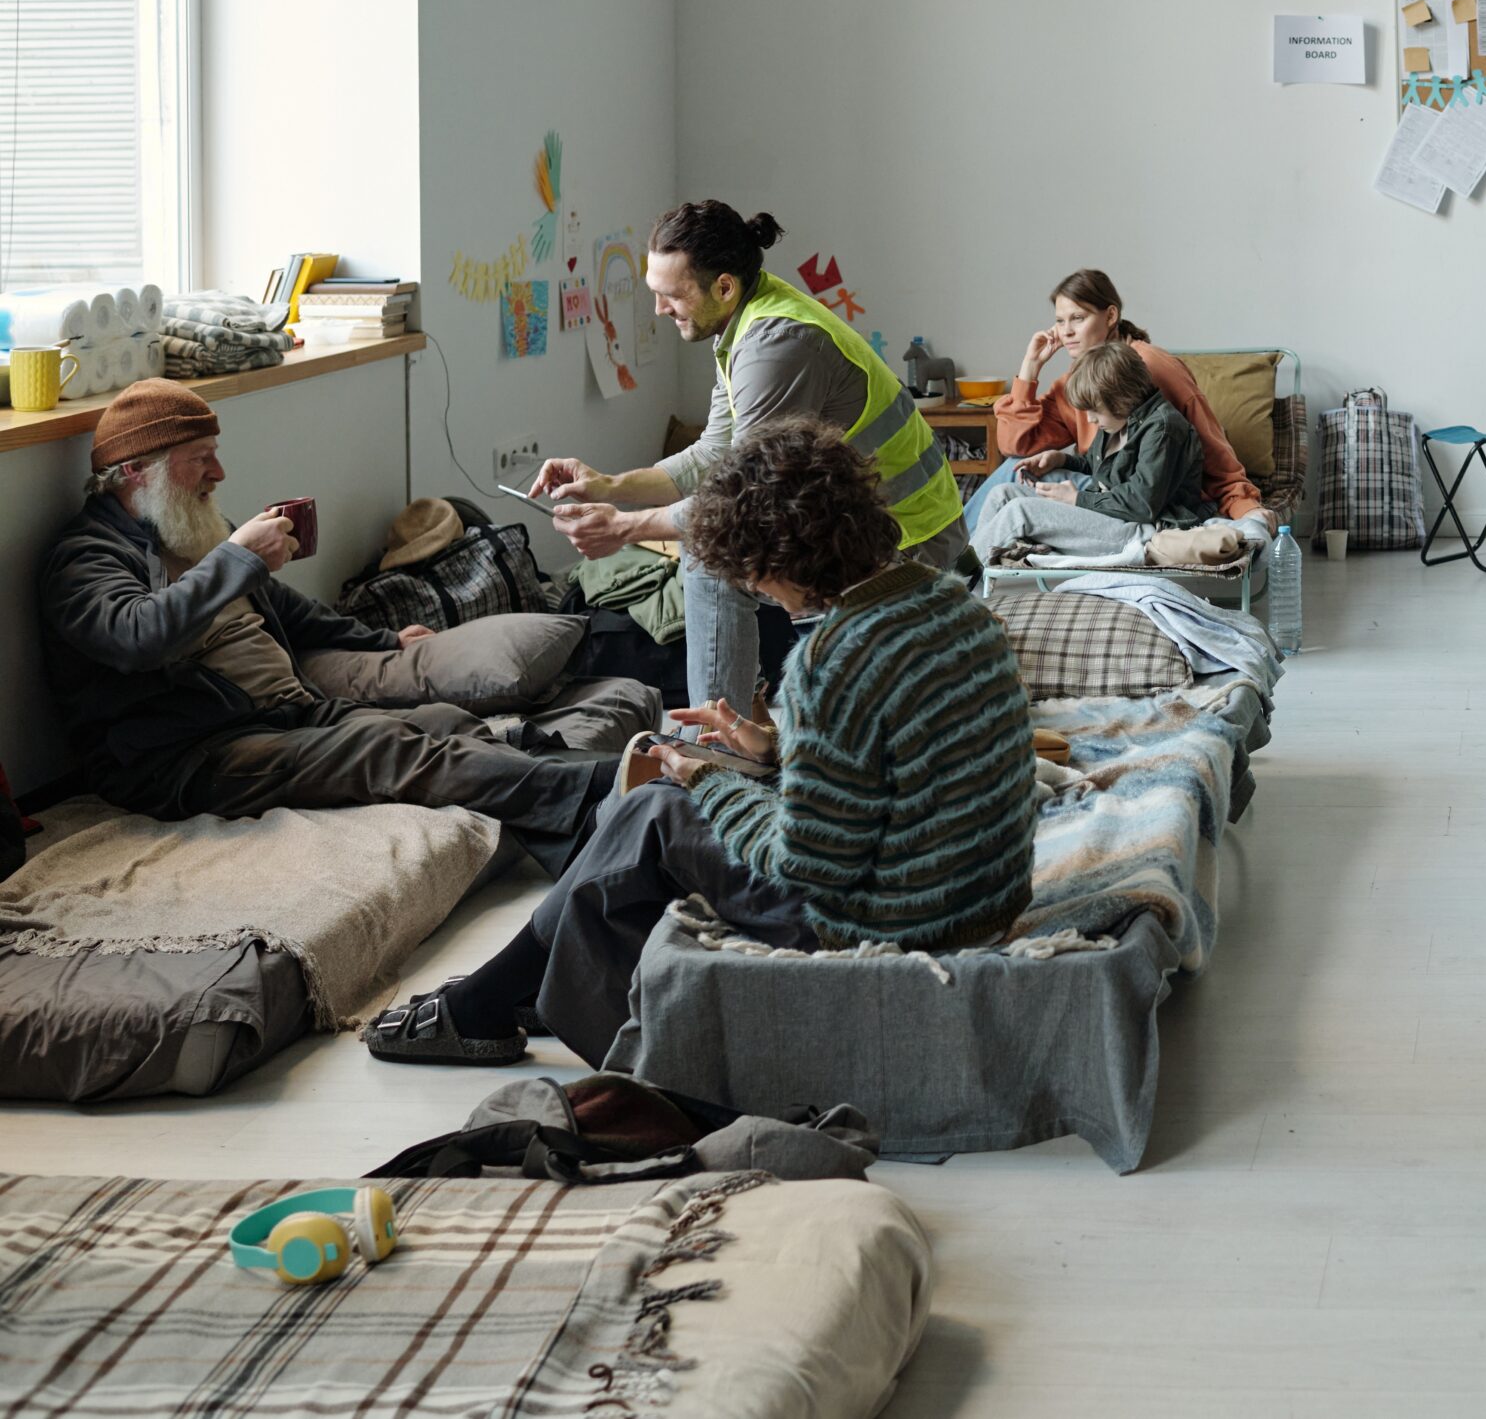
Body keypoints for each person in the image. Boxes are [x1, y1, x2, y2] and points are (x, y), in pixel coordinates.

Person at [368, 419, 1038, 1065]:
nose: (750, 587)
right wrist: (775, 749)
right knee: (656, 804)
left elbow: (804, 862)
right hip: (981, 892)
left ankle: (488, 1002)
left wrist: (708, 781)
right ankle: (525, 985)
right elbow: (898, 757)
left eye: (749, 570)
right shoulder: (953, 602)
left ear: (778, 556)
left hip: (905, 915)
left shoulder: (834, 657)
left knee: (652, 808)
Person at [39, 381, 613, 872]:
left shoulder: (187, 530)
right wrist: (238, 557)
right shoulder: (86, 557)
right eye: (201, 457)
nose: (219, 471)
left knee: (440, 718)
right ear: (137, 471)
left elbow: (288, 609)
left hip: (283, 710)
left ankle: (565, 816)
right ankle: (607, 796)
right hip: (187, 755)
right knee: (385, 747)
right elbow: (138, 637)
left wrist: (385, 640)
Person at [528, 200, 972, 720]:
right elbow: (712, 455)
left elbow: (744, 504)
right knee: (709, 546)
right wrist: (608, 485)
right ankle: (731, 729)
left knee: (709, 556)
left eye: (672, 295)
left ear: (723, 287)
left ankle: (716, 745)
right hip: (868, 524)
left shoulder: (776, 346)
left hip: (911, 539)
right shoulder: (744, 325)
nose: (659, 310)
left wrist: (625, 528)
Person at [984, 267, 1268, 528]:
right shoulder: (1080, 378)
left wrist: (1244, 507)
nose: (1066, 331)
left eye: (1078, 318)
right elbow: (1015, 445)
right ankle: (964, 563)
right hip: (1104, 484)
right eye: (1059, 321)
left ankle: (961, 564)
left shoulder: (1152, 367)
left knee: (1012, 492)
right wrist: (1030, 366)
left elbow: (1211, 449)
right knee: (1015, 470)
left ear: (1110, 316)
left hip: (1142, 498)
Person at [971, 340, 1215, 562]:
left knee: (1019, 511)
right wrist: (1060, 459)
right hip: (1110, 515)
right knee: (1002, 494)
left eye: (1094, 411)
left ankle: (956, 585)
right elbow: (1097, 467)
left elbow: (1142, 504)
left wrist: (1076, 498)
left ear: (1122, 398)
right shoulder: (1118, 422)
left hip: (1145, 529)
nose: (1089, 419)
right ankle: (972, 576)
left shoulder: (1163, 429)